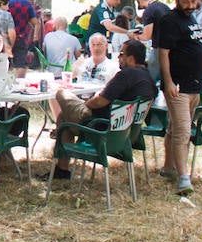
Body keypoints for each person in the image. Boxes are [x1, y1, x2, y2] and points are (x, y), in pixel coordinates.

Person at [50, 40, 157, 178]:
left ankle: (62, 169)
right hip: (126, 134)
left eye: (122, 54)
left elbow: (100, 100)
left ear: (131, 59)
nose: (119, 57)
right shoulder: (149, 79)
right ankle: (61, 170)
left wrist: (85, 104)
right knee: (63, 118)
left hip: (99, 129)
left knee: (61, 92)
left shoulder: (126, 75)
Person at [157, 0, 202, 195]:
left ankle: (168, 168)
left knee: (174, 128)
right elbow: (163, 52)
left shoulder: (191, 17)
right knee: (183, 132)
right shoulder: (169, 20)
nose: (189, 6)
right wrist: (168, 82)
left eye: (193, 1)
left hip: (194, 86)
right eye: (185, 1)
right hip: (178, 86)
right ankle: (183, 178)